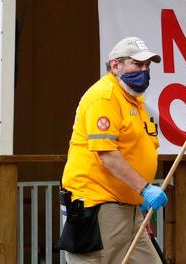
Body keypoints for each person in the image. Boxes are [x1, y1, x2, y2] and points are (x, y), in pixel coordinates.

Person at [58, 36, 168, 263]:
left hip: (128, 209)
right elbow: (107, 154)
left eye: (147, 66)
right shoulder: (105, 96)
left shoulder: (133, 100)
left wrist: (139, 198)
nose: (144, 70)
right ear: (115, 65)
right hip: (100, 208)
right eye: (137, 64)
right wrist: (145, 188)